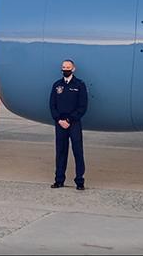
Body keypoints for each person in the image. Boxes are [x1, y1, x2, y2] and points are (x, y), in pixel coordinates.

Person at [49, 59, 88, 190]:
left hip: (74, 123)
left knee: (77, 152)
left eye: (68, 67)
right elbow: (52, 105)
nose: (65, 69)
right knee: (60, 152)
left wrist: (70, 120)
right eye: (64, 67)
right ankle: (59, 179)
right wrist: (59, 119)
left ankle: (79, 181)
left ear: (73, 69)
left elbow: (83, 106)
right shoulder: (57, 85)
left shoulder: (80, 85)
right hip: (60, 123)